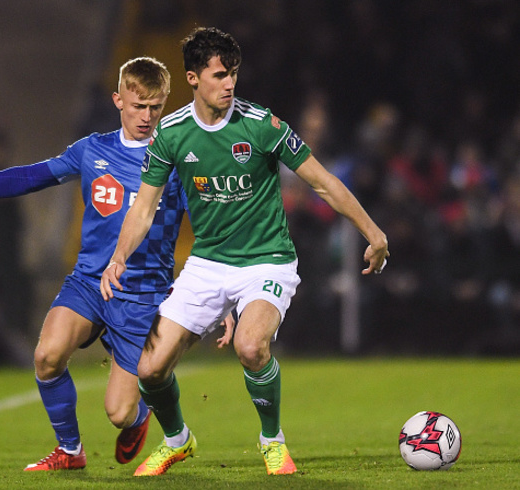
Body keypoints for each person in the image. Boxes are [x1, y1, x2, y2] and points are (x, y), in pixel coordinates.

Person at [101, 27, 389, 477]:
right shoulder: (172, 134)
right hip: (207, 264)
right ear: (193, 79)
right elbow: (143, 207)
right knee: (150, 370)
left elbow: (322, 182)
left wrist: (373, 232)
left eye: (233, 73)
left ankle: (271, 440)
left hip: (267, 259)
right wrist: (118, 257)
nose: (230, 83)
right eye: (219, 75)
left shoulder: (261, 125)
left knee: (250, 345)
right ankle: (178, 441)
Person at [0, 57, 232, 471]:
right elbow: (32, 176)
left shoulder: (178, 161)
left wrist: (225, 296)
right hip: (89, 282)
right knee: (47, 356)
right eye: (138, 105)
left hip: (142, 296)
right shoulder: (92, 150)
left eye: (155, 107)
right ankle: (70, 451)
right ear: (118, 99)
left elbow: (212, 227)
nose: (146, 116)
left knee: (119, 414)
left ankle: (143, 415)